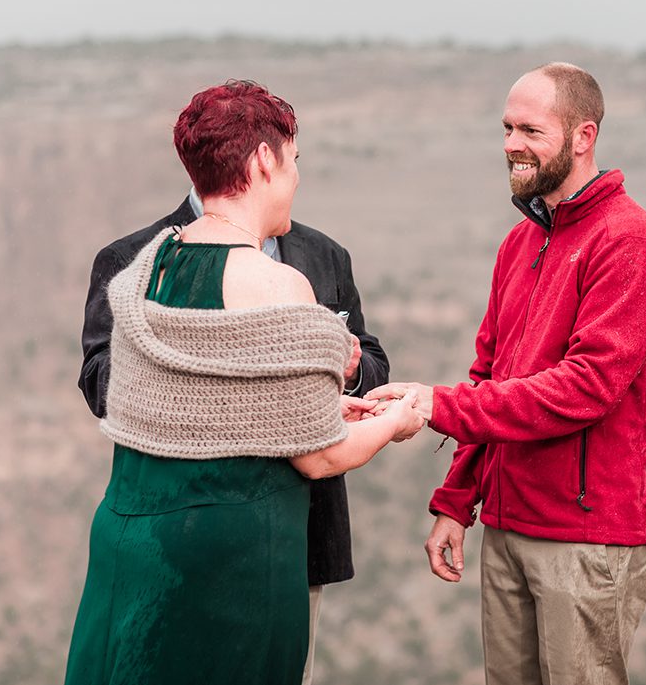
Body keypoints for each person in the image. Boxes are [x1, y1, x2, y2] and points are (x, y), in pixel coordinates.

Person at [64, 80, 423, 685]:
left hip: (133, 537)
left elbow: (162, 396)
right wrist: (397, 418)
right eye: (294, 163)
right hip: (234, 553)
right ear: (262, 162)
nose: (297, 179)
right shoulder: (279, 284)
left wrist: (313, 397)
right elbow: (320, 457)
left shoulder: (144, 271)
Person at [369, 63, 646, 685]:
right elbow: (490, 378)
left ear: (583, 136)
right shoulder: (520, 244)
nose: (512, 143)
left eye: (531, 130)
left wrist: (434, 404)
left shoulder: (630, 243)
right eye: (507, 128)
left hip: (586, 538)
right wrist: (458, 500)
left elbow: (585, 388)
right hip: (509, 526)